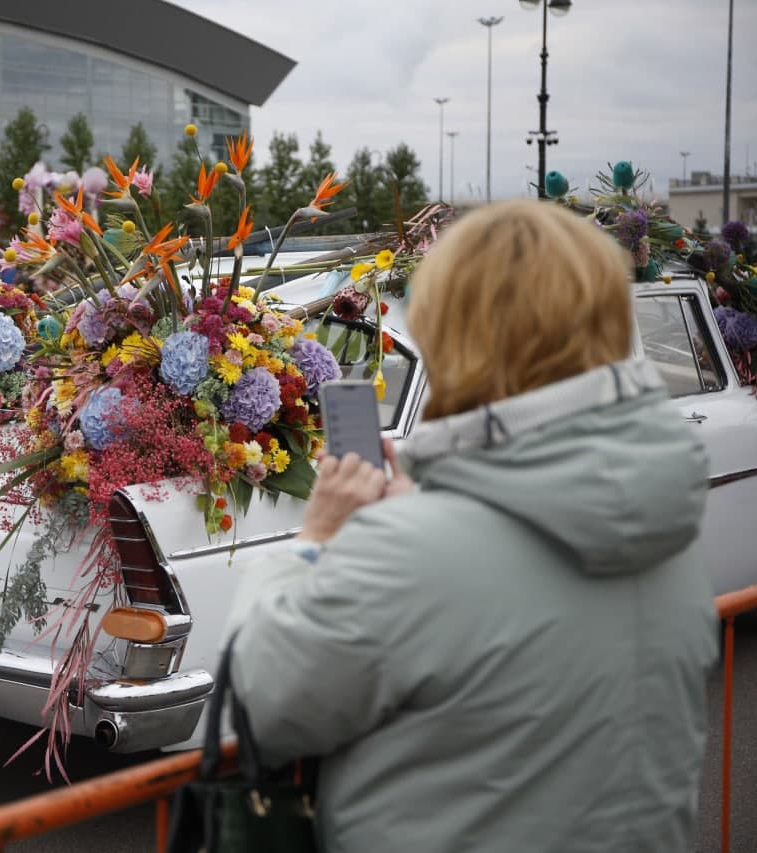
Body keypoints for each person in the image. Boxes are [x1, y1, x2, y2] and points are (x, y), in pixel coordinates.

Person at [227, 199, 717, 852]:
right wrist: (425, 517)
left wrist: (315, 541)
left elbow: (264, 697)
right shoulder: (669, 535)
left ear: (460, 334)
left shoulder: (413, 554)